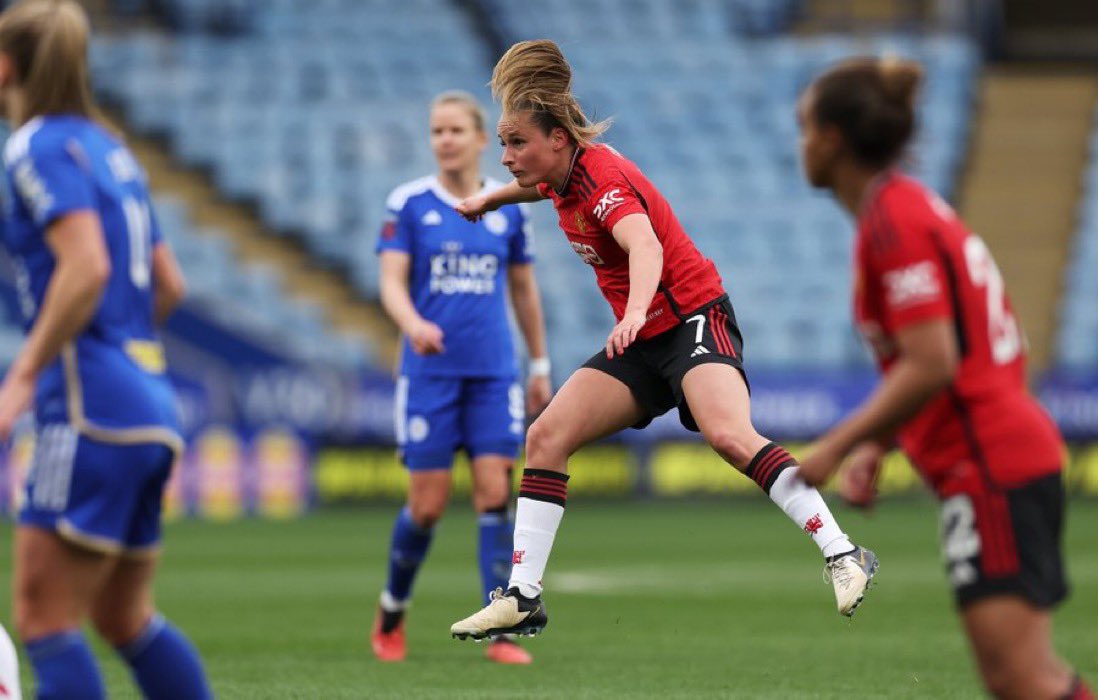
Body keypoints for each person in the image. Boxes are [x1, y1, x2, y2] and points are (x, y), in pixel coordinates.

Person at [448, 39, 879, 642]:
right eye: (503, 143)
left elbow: (644, 245)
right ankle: (524, 595)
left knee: (730, 436)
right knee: (546, 436)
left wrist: (637, 310)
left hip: (691, 317)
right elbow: (537, 187)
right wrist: (493, 196)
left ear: (558, 140)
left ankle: (842, 553)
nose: (507, 155)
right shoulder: (560, 176)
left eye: (516, 143)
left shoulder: (601, 177)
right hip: (644, 338)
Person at [794, 57, 1093, 700]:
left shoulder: (892, 221)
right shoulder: (903, 208)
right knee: (1019, 678)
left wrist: (836, 445)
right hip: (992, 457)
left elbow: (934, 361)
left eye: (805, 127)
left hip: (993, 460)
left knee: (1024, 678)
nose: (802, 145)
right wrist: (881, 443)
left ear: (834, 139)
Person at [0, 1, 212, 698]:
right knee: (123, 617)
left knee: (43, 618)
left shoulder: (32, 147)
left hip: (89, 408)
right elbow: (170, 283)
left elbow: (84, 266)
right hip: (149, 400)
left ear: (6, 67)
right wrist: (123, 348)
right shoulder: (110, 147)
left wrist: (24, 374)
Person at [371, 90, 552, 664]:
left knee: (494, 495)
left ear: (480, 140)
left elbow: (523, 289)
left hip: (493, 373)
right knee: (426, 506)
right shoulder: (409, 204)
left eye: (455, 130)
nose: (444, 140)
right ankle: (392, 609)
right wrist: (412, 322)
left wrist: (540, 363)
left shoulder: (508, 208)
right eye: (436, 131)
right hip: (430, 374)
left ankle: (498, 630)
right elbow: (391, 282)